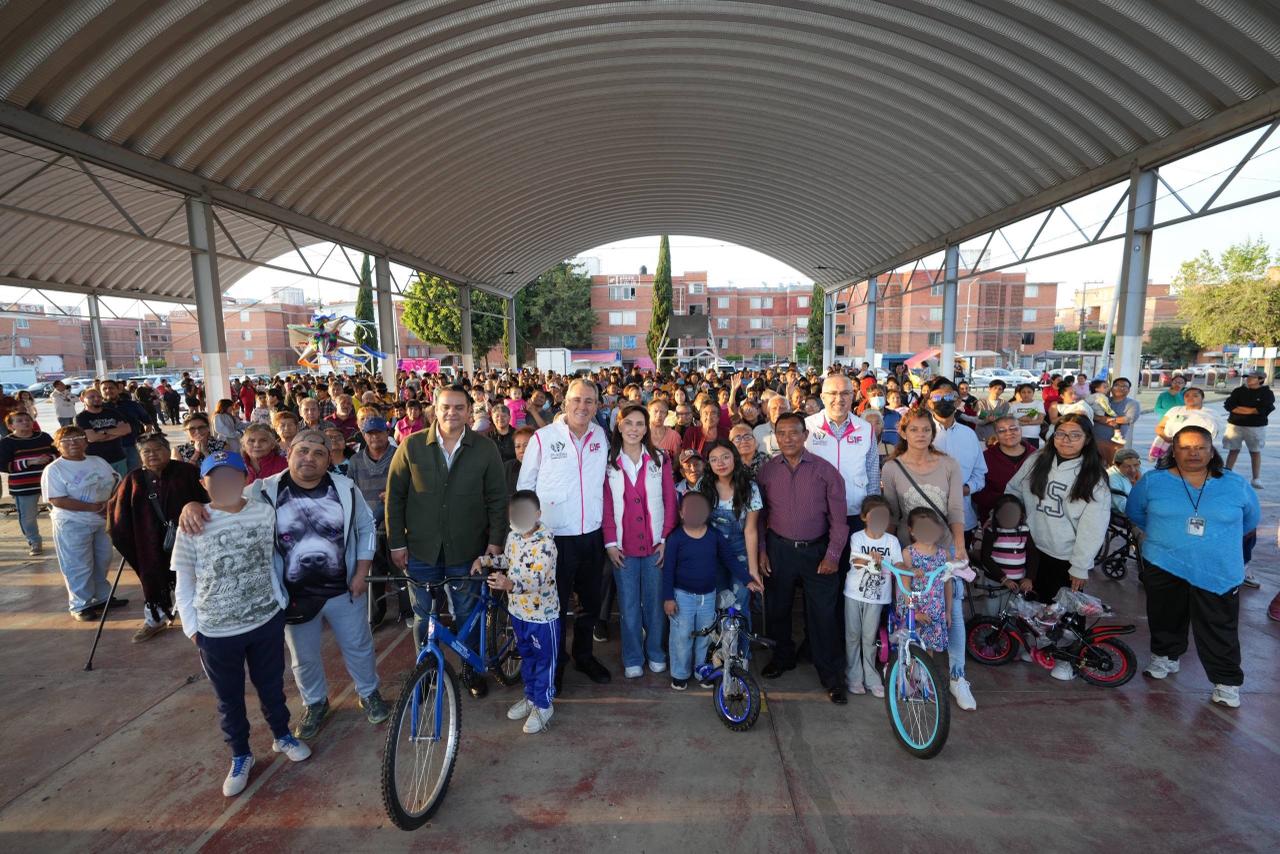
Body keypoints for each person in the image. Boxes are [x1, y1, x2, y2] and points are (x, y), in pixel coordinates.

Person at [179, 428, 389, 740]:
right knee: (303, 657)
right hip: (293, 596)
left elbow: (366, 528)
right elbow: (223, 500)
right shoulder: (262, 490)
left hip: (344, 589)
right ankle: (315, 702)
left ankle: (369, 692)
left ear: (329, 460)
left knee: (358, 645)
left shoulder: (346, 488)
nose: (310, 458)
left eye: (318, 453)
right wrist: (192, 505)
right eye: (302, 451)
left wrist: (361, 572)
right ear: (288, 453)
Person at [172, 450, 310, 797]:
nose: (225, 483)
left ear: (244, 479)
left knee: (272, 685)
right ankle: (240, 754)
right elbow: (184, 580)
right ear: (204, 483)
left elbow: (277, 554)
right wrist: (192, 628)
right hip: (216, 631)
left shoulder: (264, 513)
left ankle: (282, 735)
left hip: (265, 619)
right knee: (229, 698)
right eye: (216, 478)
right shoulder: (193, 523)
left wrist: (278, 602)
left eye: (231, 476)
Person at [386, 385, 507, 697]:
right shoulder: (411, 446)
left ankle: (470, 669)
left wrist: (495, 541)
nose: (452, 413)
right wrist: (397, 543)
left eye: (459, 407)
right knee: (423, 617)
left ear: (469, 411)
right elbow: (395, 498)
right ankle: (426, 672)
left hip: (468, 552)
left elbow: (497, 498)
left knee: (467, 614)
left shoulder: (485, 449)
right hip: (421, 551)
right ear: (435, 410)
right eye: (445, 407)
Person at [1126, 426, 1259, 709]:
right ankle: (1165, 656)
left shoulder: (1235, 484)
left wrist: (1213, 542)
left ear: (1212, 452)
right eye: (1185, 447)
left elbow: (1250, 521)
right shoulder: (1153, 482)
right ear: (1173, 452)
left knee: (1219, 626)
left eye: (1200, 447)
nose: (1193, 453)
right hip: (1164, 561)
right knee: (1164, 615)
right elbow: (1135, 512)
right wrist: (1167, 537)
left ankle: (1226, 682)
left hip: (1217, 569)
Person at [517, 378, 613, 689]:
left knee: (589, 603)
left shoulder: (601, 436)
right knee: (553, 606)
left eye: (589, 401)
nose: (582, 406)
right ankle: (555, 663)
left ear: (597, 406)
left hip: (592, 535)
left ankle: (583, 655)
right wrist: (527, 535)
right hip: (554, 538)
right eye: (577, 400)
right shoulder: (543, 438)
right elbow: (525, 487)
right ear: (565, 403)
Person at [879, 408, 974, 710]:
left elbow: (956, 508)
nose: (921, 435)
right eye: (914, 429)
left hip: (943, 551)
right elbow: (892, 515)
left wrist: (959, 545)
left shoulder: (948, 464)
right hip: (909, 554)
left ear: (933, 433)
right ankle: (911, 669)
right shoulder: (892, 468)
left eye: (926, 430)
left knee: (951, 611)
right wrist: (889, 554)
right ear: (903, 432)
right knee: (909, 612)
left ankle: (957, 676)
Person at [756, 412, 851, 704]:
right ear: (775, 436)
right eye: (781, 433)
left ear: (805, 435)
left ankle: (831, 676)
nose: (788, 438)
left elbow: (839, 521)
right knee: (778, 609)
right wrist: (762, 550)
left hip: (817, 551)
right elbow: (760, 516)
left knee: (823, 615)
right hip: (779, 549)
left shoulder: (826, 471)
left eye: (794, 432)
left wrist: (833, 555)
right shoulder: (767, 472)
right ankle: (782, 657)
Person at [107, 432, 208, 642]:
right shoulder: (133, 479)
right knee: (152, 578)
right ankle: (155, 619)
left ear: (168, 450)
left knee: (195, 578)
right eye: (146, 452)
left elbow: (208, 498)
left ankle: (200, 620)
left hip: (190, 536)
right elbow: (117, 515)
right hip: (148, 541)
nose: (152, 454)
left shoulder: (187, 472)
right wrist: (127, 539)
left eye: (157, 449)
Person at [1004, 413, 1111, 610]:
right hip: (1029, 548)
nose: (1066, 440)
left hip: (1064, 557)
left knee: (1060, 613)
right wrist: (1007, 518)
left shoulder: (1094, 477)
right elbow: (1013, 490)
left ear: (1087, 439)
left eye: (1075, 435)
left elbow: (1093, 528)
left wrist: (1080, 566)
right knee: (1028, 608)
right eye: (1060, 433)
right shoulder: (1037, 460)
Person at [602, 404, 677, 678]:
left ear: (646, 428)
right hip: (624, 548)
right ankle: (633, 656)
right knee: (629, 606)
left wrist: (665, 538)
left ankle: (656, 651)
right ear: (619, 426)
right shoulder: (609, 462)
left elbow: (670, 500)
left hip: (656, 545)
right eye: (628, 423)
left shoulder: (660, 458)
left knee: (655, 604)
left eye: (639, 424)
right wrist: (610, 543)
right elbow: (606, 506)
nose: (634, 429)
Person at [662, 491, 758, 690]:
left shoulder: (714, 537)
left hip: (708, 596)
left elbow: (730, 559)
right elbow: (668, 570)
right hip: (682, 597)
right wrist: (668, 598)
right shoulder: (676, 539)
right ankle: (680, 673)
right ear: (681, 513)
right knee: (681, 635)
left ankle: (702, 670)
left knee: (705, 635)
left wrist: (748, 579)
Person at [483, 490, 559, 732]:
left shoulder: (546, 544)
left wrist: (510, 584)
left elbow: (537, 580)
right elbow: (508, 560)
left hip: (542, 617)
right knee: (526, 658)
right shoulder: (513, 537)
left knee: (544, 661)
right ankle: (531, 698)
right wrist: (484, 561)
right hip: (518, 613)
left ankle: (544, 705)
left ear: (537, 514)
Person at [41, 426, 123, 620]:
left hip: (102, 520)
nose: (73, 443)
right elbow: (56, 499)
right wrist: (94, 507)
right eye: (66, 440)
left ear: (86, 442)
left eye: (78, 438)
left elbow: (116, 482)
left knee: (102, 559)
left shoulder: (98, 461)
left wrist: (110, 505)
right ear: (57, 446)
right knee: (78, 564)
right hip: (73, 523)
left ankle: (102, 597)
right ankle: (80, 604)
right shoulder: (55, 469)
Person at [804, 373, 880, 543]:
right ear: (822, 397)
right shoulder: (807, 426)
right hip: (817, 512)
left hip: (855, 512)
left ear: (853, 396)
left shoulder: (866, 429)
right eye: (833, 393)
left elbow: (872, 473)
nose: (839, 399)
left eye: (845, 393)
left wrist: (872, 509)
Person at [843, 496, 901, 698]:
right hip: (854, 594)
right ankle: (853, 675)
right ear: (864, 517)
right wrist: (873, 560)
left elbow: (898, 564)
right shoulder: (857, 537)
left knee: (869, 638)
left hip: (877, 598)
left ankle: (871, 677)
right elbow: (856, 561)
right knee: (852, 635)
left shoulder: (892, 541)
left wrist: (909, 570)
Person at [346, 417, 400, 628]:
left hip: (396, 526)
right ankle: (375, 616)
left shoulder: (399, 455)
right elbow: (350, 490)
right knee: (373, 573)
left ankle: (407, 612)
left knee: (401, 571)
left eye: (379, 432)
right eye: (370, 433)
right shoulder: (355, 461)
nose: (375, 437)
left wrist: (394, 494)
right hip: (368, 529)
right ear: (364, 435)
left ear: (387, 433)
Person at [700, 439, 764, 615]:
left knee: (739, 603)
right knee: (718, 603)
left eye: (725, 457)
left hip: (741, 553)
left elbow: (750, 530)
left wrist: (753, 569)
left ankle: (740, 634)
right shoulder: (703, 487)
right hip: (713, 553)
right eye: (714, 459)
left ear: (734, 457)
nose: (720, 463)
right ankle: (720, 635)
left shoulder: (749, 488)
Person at [0, 410, 56, 555]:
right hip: (23, 486)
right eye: (19, 421)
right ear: (11, 426)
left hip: (49, 483)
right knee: (28, 516)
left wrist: (49, 458)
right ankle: (34, 541)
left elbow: (58, 453)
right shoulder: (7, 442)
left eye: (27, 420)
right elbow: (3, 465)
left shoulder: (43, 436)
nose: (25, 422)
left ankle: (63, 537)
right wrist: (29, 462)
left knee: (59, 512)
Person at [973, 415, 1038, 525]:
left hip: (1032, 519)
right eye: (1002, 430)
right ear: (996, 434)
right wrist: (1006, 501)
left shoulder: (1037, 456)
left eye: (1014, 428)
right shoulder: (985, 458)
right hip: (996, 519)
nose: (1009, 433)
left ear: (1021, 430)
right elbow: (977, 491)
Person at [978, 495, 1037, 599]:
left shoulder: (1024, 531)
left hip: (1018, 583)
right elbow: (985, 558)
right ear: (997, 515)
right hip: (995, 582)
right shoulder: (991, 532)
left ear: (1020, 515)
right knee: (992, 607)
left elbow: (1033, 555)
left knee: (1013, 607)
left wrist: (1029, 578)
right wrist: (1004, 579)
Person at [1222, 369, 1273, 489]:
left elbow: (1262, 410)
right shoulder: (1238, 391)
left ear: (1261, 379)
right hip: (1235, 425)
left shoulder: (1267, 393)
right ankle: (1227, 474)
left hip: (1256, 427)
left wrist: (1241, 409)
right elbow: (1229, 406)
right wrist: (1251, 410)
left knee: (1255, 452)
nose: (1248, 379)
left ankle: (1256, 478)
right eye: (1247, 377)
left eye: (1252, 377)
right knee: (1233, 450)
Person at [1150, 385, 1217, 462]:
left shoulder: (1209, 414)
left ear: (1202, 398)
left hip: (1194, 451)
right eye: (1187, 396)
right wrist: (1167, 438)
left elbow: (1211, 434)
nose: (1190, 398)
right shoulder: (1175, 410)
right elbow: (1160, 427)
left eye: (1195, 396)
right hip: (1169, 447)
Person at [75, 387, 132, 476]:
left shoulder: (112, 412)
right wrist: (116, 433)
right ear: (82, 399)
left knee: (122, 483)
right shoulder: (81, 417)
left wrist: (104, 432)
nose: (96, 399)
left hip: (118, 458)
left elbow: (127, 429)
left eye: (99, 396)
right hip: (96, 461)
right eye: (92, 397)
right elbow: (91, 438)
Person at [1008, 383, 1045, 448]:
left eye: (1029, 392)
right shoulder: (1014, 405)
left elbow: (1040, 420)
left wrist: (1022, 423)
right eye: (1023, 392)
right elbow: (1009, 421)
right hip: (1016, 436)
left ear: (1033, 393)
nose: (1026, 394)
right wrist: (1021, 420)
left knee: (1032, 454)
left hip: (1033, 436)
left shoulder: (1038, 404)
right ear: (1019, 393)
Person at [1107, 448, 1143, 514]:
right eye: (1127, 466)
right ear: (1117, 465)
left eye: (1136, 465)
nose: (1133, 470)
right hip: (1123, 515)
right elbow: (1124, 507)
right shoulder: (1112, 477)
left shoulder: (1142, 471)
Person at [506, 426, 534, 495]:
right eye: (518, 446)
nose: (521, 450)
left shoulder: (544, 469)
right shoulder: (507, 467)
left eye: (526, 445)